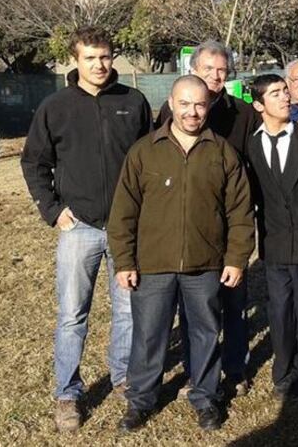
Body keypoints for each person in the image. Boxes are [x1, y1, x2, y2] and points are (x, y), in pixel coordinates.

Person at [20, 26, 152, 433]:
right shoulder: (55, 107)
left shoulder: (133, 101)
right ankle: (67, 392)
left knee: (128, 310)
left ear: (114, 58)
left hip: (126, 228)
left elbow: (151, 157)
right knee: (72, 315)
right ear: (75, 61)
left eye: (105, 56)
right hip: (79, 228)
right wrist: (53, 209)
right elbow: (34, 163)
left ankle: (124, 376)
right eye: (90, 57)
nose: (98, 64)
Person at [108, 75, 255, 432]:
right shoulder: (145, 151)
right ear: (171, 104)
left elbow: (240, 212)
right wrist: (124, 261)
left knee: (205, 332)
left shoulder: (222, 152)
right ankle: (141, 399)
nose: (192, 112)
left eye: (200, 104)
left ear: (208, 107)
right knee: (149, 334)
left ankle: (205, 397)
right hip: (153, 264)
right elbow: (123, 212)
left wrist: (235, 258)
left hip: (205, 264)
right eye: (185, 104)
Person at [156, 41, 258, 397]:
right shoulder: (174, 112)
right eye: (208, 69)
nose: (215, 77)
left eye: (222, 71)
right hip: (189, 224)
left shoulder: (243, 114)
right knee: (193, 306)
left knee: (233, 300)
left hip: (229, 222)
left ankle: (234, 366)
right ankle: (195, 370)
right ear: (193, 69)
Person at [246, 74, 298, 400]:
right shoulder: (252, 144)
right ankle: (283, 369)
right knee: (279, 309)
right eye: (276, 93)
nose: (285, 97)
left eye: (285, 91)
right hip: (274, 242)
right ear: (258, 104)